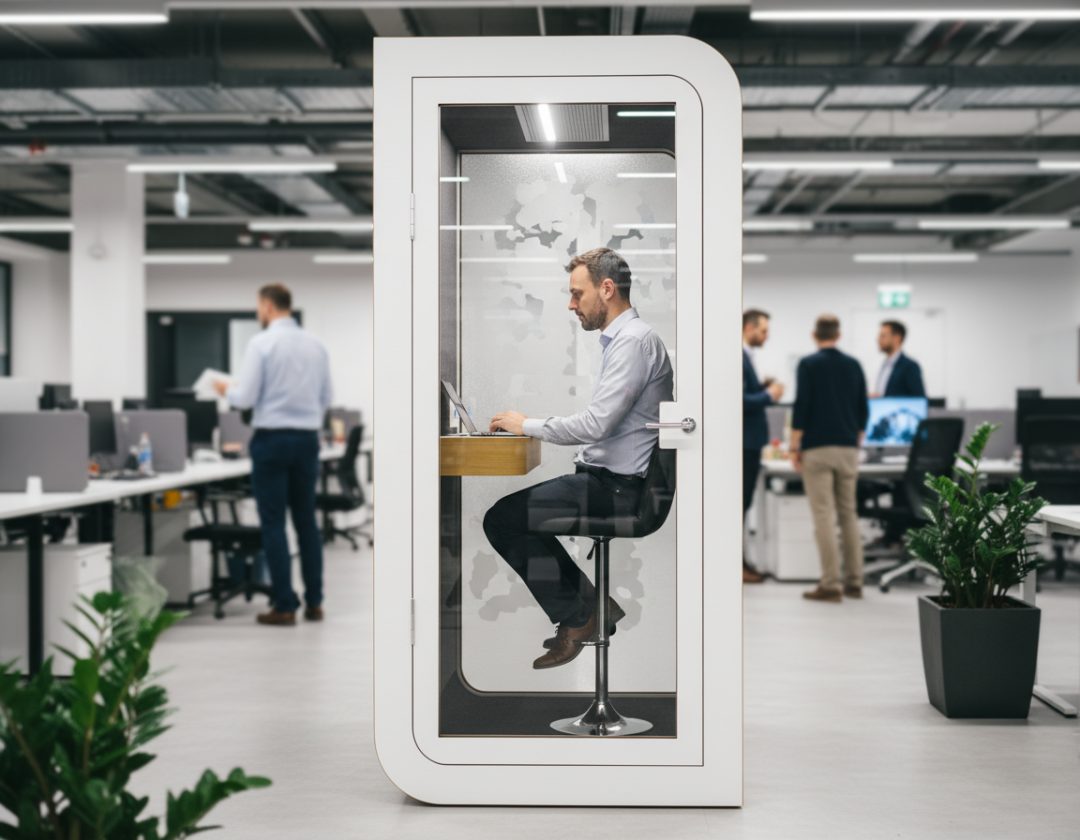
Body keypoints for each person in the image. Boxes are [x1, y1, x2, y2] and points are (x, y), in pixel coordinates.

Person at [484, 247, 673, 670]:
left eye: (576, 294)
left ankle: (582, 616)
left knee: (502, 520)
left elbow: (595, 426)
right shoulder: (623, 342)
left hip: (620, 491)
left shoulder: (634, 342)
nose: (572, 305)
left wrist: (526, 424)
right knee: (514, 518)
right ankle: (588, 611)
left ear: (606, 289)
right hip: (606, 481)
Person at [213, 284, 333, 626]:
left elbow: (246, 398)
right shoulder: (316, 345)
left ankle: (284, 605)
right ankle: (315, 602)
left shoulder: (261, 343)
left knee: (274, 523)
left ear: (267, 306)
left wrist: (227, 390)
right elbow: (327, 397)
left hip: (272, 440)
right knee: (306, 522)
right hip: (307, 440)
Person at [790, 315, 869, 603]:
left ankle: (831, 584)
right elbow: (863, 409)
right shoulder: (854, 365)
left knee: (824, 516)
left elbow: (802, 407)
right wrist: (854, 440)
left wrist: (794, 447)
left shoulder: (809, 364)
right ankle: (855, 582)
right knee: (849, 514)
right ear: (838, 334)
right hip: (848, 448)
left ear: (815, 335)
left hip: (818, 449)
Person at [742, 309, 784, 584]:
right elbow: (740, 400)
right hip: (745, 444)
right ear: (749, 327)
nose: (766, 336)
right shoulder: (739, 355)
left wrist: (761, 387)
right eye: (763, 330)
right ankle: (739, 565)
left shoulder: (747, 357)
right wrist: (769, 394)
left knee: (742, 507)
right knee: (739, 507)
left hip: (750, 443)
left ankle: (743, 562)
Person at [871, 320, 925, 398]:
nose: (878, 339)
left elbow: (918, 399)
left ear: (897, 338)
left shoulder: (910, 366)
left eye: (883, 336)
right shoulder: (885, 364)